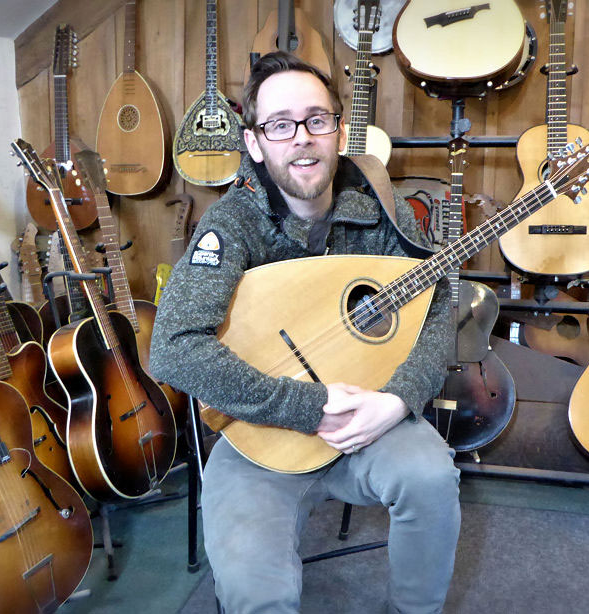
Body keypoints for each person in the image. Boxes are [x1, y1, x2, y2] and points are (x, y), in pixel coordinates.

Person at [150, 51, 461, 614]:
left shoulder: (382, 206)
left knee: (430, 477)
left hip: (369, 419)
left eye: (317, 120)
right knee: (254, 589)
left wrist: (398, 399)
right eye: (280, 125)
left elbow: (435, 303)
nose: (302, 138)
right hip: (260, 434)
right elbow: (173, 349)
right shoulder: (232, 224)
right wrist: (305, 406)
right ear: (255, 142)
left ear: (339, 132)